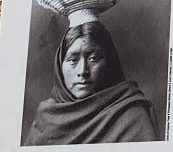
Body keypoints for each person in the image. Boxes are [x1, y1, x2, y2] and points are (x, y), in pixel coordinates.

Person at [26, 19, 159, 145]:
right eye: (73, 60)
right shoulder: (45, 117)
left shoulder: (131, 117)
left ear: (108, 63)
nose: (83, 71)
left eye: (93, 58)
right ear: (60, 65)